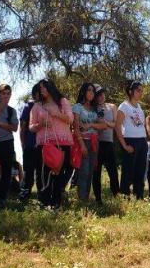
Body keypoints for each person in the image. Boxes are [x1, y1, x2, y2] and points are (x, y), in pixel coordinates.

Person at [29, 79, 74, 208]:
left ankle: (56, 203)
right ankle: (45, 203)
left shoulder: (62, 102)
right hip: (44, 145)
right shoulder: (37, 106)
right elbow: (31, 127)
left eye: (44, 87)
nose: (41, 90)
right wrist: (41, 125)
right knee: (45, 174)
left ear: (50, 87)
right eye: (40, 88)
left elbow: (70, 119)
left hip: (63, 144)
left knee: (60, 173)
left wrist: (57, 114)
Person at [72, 82, 105, 202]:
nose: (91, 93)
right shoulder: (77, 107)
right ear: (84, 92)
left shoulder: (96, 109)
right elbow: (75, 128)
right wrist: (82, 146)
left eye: (93, 91)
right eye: (89, 90)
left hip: (94, 143)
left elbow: (103, 125)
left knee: (90, 172)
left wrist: (91, 124)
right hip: (83, 142)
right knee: (83, 172)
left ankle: (85, 199)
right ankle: (82, 200)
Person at [115, 81, 148, 199]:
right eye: (138, 90)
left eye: (141, 90)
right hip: (130, 141)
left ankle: (139, 196)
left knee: (140, 170)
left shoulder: (139, 107)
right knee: (128, 171)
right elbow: (117, 126)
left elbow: (142, 125)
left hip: (142, 141)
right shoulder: (123, 106)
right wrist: (124, 145)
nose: (141, 93)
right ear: (130, 91)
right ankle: (124, 195)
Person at [0, 84, 19, 203]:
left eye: (8, 94)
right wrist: (1, 106)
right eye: (3, 93)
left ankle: (2, 198)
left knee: (7, 170)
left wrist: (0, 124)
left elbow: (15, 128)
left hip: (7, 142)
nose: (6, 96)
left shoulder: (12, 111)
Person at [92, 85, 119, 203]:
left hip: (108, 143)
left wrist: (105, 123)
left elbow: (117, 124)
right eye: (98, 95)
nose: (101, 97)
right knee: (96, 173)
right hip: (96, 143)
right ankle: (98, 200)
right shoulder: (92, 108)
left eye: (102, 93)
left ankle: (117, 196)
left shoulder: (112, 106)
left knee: (113, 171)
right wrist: (98, 123)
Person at [17, 85, 40, 201]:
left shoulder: (47, 107)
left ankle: (42, 195)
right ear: (34, 94)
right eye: (38, 92)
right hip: (30, 145)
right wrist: (23, 144)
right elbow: (23, 127)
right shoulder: (28, 107)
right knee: (28, 171)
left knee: (41, 172)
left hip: (43, 145)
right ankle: (24, 194)